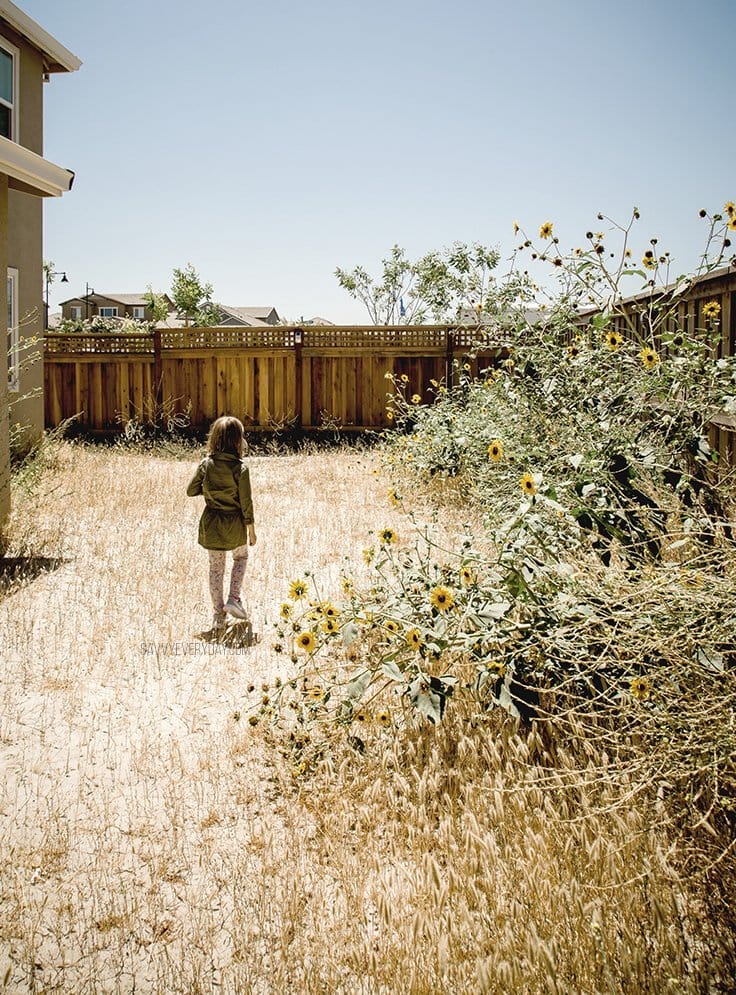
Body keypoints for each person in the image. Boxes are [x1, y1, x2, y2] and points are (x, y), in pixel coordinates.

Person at [187, 416, 257, 631]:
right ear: (238, 441)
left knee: (216, 569)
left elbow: (191, 490)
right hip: (235, 522)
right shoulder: (240, 469)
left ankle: (218, 615)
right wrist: (251, 529)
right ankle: (234, 598)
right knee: (241, 557)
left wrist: (210, 488)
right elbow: (246, 501)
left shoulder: (206, 465)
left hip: (212, 522)